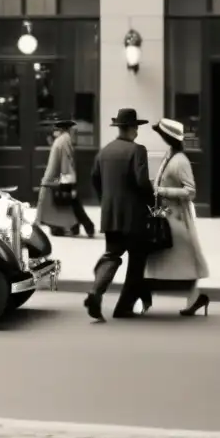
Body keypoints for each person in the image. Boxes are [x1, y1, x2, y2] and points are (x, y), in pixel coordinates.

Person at [84, 108, 154, 322]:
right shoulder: (137, 150)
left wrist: (105, 201)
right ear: (131, 128)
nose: (137, 132)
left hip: (111, 214)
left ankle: (96, 292)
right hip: (134, 216)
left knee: (112, 254)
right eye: (136, 128)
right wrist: (152, 203)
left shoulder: (104, 151)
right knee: (137, 261)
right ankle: (124, 307)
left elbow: (94, 178)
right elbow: (142, 182)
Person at [141, 118, 210, 317]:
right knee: (160, 259)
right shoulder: (171, 155)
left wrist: (161, 190)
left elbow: (190, 191)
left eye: (162, 135)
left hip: (176, 218)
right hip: (166, 215)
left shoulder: (180, 161)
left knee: (179, 261)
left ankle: (193, 297)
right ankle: (193, 298)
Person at [37, 118, 95, 238]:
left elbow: (66, 163)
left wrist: (68, 183)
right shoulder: (64, 140)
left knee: (65, 204)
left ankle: (83, 226)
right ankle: (79, 226)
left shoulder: (61, 141)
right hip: (58, 179)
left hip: (54, 180)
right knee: (71, 204)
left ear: (60, 129)